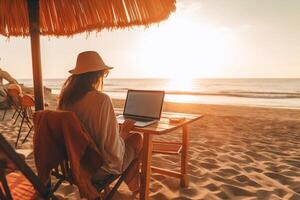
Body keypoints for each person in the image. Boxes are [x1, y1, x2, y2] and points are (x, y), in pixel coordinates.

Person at [58, 51, 142, 191]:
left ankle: (132, 181)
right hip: (99, 169)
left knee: (127, 145)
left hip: (75, 166)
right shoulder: (101, 100)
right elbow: (114, 153)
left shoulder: (65, 101)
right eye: (104, 74)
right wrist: (124, 132)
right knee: (137, 138)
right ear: (97, 75)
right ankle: (134, 184)